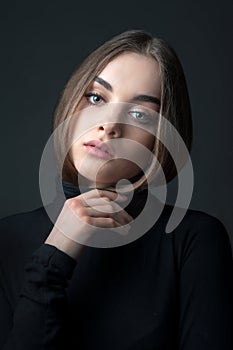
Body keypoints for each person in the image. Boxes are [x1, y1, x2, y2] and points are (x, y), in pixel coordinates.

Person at [0, 30, 232, 350]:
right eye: (96, 98)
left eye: (140, 114)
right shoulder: (7, 239)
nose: (110, 125)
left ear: (161, 140)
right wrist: (53, 256)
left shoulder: (193, 239)